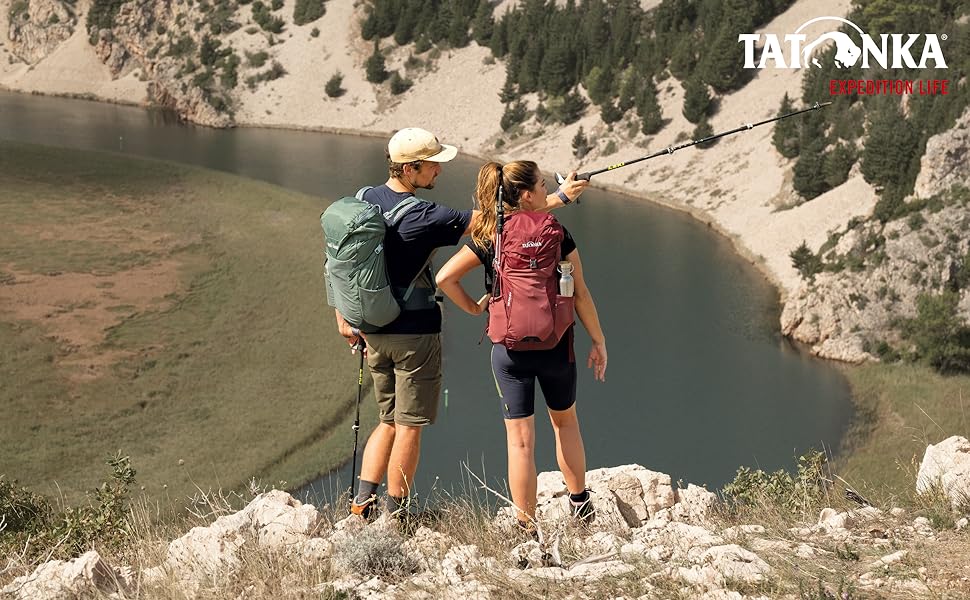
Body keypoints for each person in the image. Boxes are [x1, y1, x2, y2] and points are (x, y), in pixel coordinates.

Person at [333, 129, 588, 520]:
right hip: (412, 333)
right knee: (409, 425)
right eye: (432, 164)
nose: (439, 169)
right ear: (411, 168)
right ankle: (395, 514)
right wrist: (562, 198)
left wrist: (345, 315)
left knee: (386, 420)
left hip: (371, 328)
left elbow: (341, 262)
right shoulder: (425, 214)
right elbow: (500, 223)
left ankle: (360, 507)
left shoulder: (365, 199)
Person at [435, 160, 607, 531]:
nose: (548, 191)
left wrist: (474, 306)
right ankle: (580, 506)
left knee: (520, 442)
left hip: (509, 352)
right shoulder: (556, 232)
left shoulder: (489, 236)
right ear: (528, 194)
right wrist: (599, 339)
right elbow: (581, 295)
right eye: (543, 186)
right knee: (565, 424)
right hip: (557, 346)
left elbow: (444, 277)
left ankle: (526, 525)